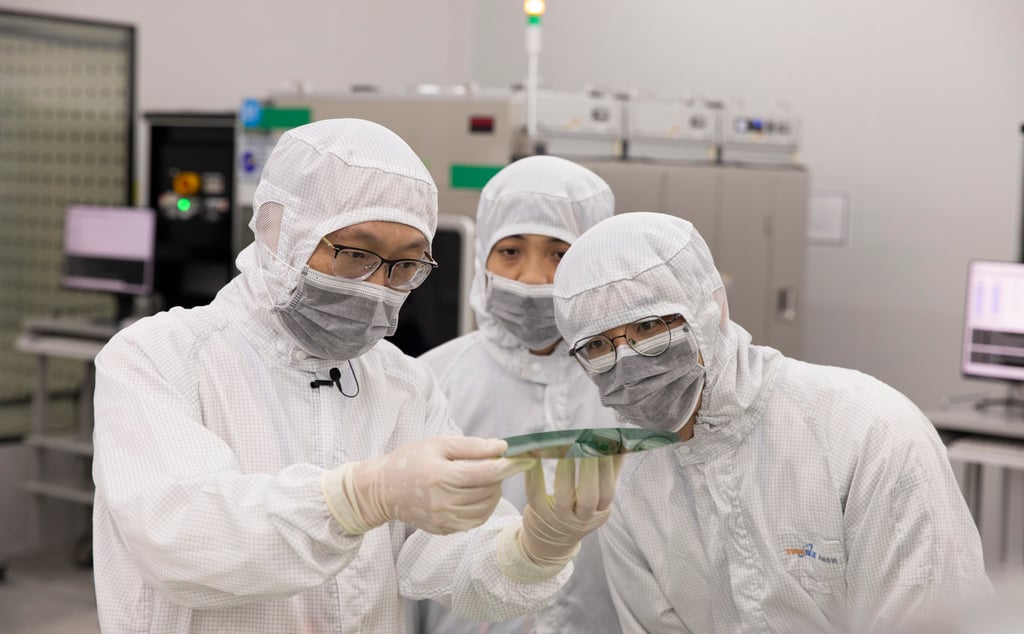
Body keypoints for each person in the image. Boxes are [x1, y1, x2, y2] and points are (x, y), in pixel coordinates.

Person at [90, 119, 619, 633]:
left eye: (404, 265)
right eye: (355, 254)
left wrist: (530, 549)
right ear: (283, 234)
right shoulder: (159, 357)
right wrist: (361, 496)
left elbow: (442, 558)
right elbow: (184, 541)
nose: (377, 286)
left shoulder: (403, 385)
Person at [550, 211, 991, 633]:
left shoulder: (866, 432)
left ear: (712, 308)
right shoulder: (630, 486)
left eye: (648, 326)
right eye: (596, 346)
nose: (626, 361)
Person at [414, 156, 624, 633]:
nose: (532, 277)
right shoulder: (431, 382)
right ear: (481, 258)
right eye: (510, 251)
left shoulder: (629, 388)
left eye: (559, 253)